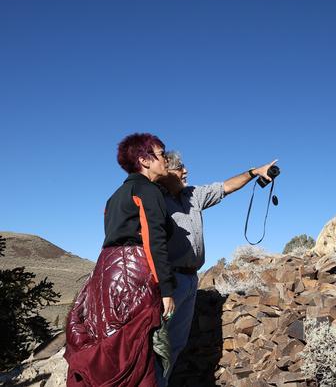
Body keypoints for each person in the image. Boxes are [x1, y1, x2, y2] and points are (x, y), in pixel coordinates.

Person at [155, 151, 276, 386]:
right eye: (180, 167)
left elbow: (226, 187)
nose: (186, 171)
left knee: (177, 342)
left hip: (191, 280)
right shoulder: (155, 199)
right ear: (164, 171)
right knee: (159, 342)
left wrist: (254, 172)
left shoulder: (193, 195)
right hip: (169, 281)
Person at [65, 133, 176, 387]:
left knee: (109, 340)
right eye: (161, 154)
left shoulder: (113, 197)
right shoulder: (148, 190)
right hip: (132, 274)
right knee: (138, 348)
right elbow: (153, 240)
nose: (166, 160)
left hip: (105, 273)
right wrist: (167, 290)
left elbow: (112, 237)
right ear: (144, 160)